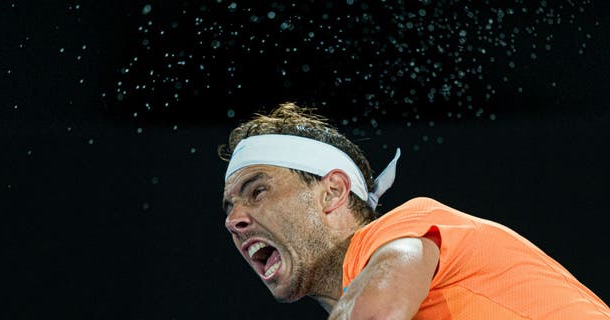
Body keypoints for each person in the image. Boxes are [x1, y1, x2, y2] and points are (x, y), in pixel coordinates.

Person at [218, 102, 610, 319]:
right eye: (230, 205)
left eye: (258, 191)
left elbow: (376, 315)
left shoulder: (408, 226)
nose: (233, 219)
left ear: (332, 191)